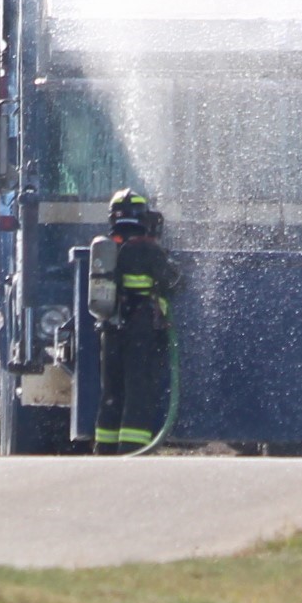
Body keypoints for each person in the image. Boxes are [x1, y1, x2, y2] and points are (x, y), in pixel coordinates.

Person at [94, 188, 180, 454]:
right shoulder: (146, 249)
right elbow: (172, 281)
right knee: (138, 390)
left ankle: (104, 448)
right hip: (140, 328)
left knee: (111, 392)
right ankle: (132, 449)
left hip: (110, 328)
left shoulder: (107, 248)